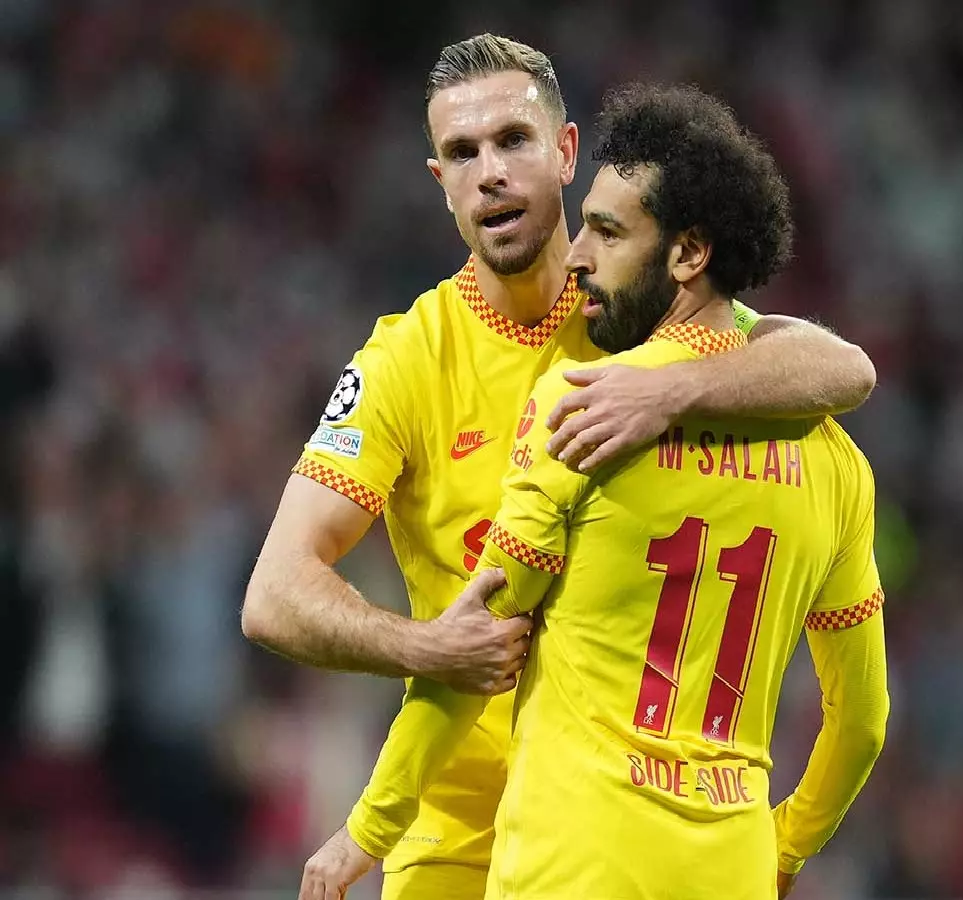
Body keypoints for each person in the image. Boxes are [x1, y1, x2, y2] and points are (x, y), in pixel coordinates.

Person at [243, 35, 877, 900]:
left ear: (566, 153)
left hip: (600, 825)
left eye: (513, 140)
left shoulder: (635, 315)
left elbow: (841, 367)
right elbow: (273, 595)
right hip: (456, 832)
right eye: (462, 154)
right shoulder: (405, 361)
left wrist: (671, 394)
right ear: (440, 185)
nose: (489, 172)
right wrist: (428, 648)